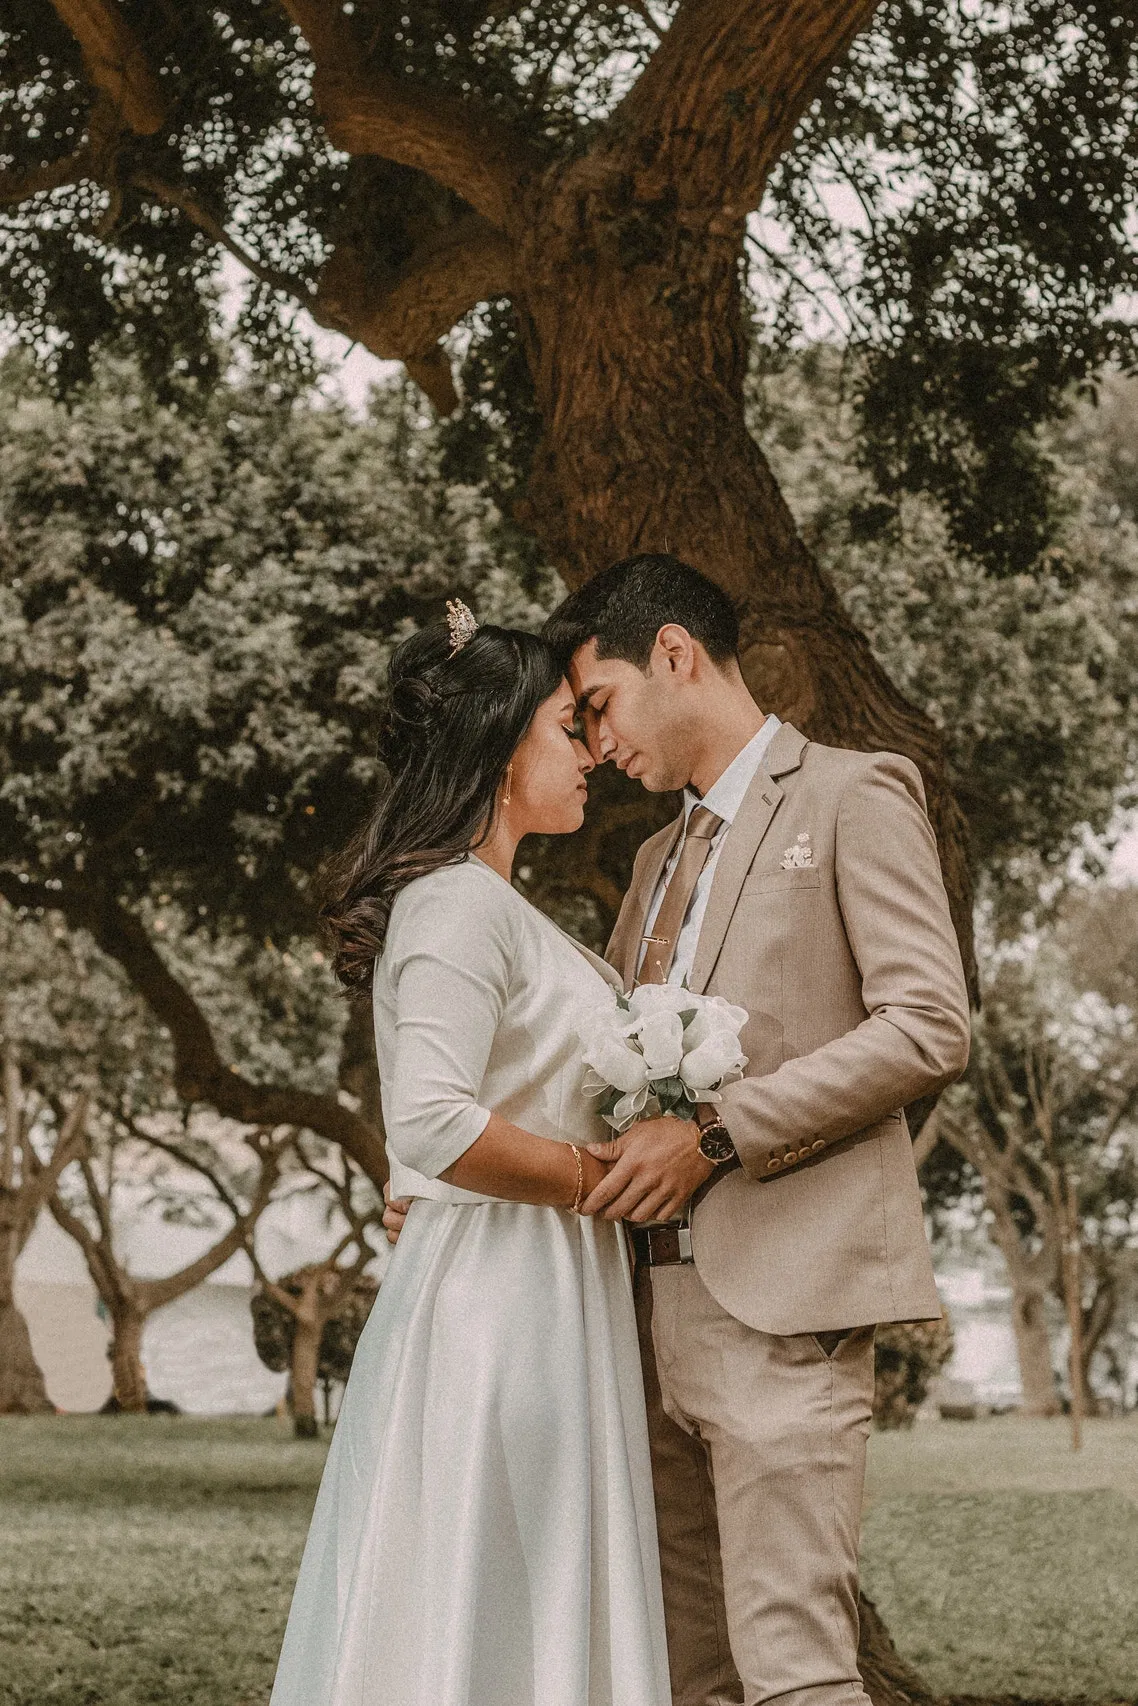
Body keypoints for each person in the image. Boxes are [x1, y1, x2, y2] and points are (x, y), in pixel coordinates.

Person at [387, 554, 971, 1706]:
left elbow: (925, 1025)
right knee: (678, 1675)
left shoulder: (853, 793)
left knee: (795, 1668)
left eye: (598, 705)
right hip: (629, 1323)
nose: (596, 742)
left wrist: (715, 1133)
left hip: (784, 1308)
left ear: (674, 653)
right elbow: (596, 1075)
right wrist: (453, 1181)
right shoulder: (654, 861)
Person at [269, 608, 670, 1706]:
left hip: (549, 1277)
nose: (592, 752)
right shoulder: (453, 903)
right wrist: (601, 1180)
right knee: (487, 1583)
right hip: (504, 1301)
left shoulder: (495, 904)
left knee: (537, 1580)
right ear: (498, 749)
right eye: (566, 727)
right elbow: (434, 1122)